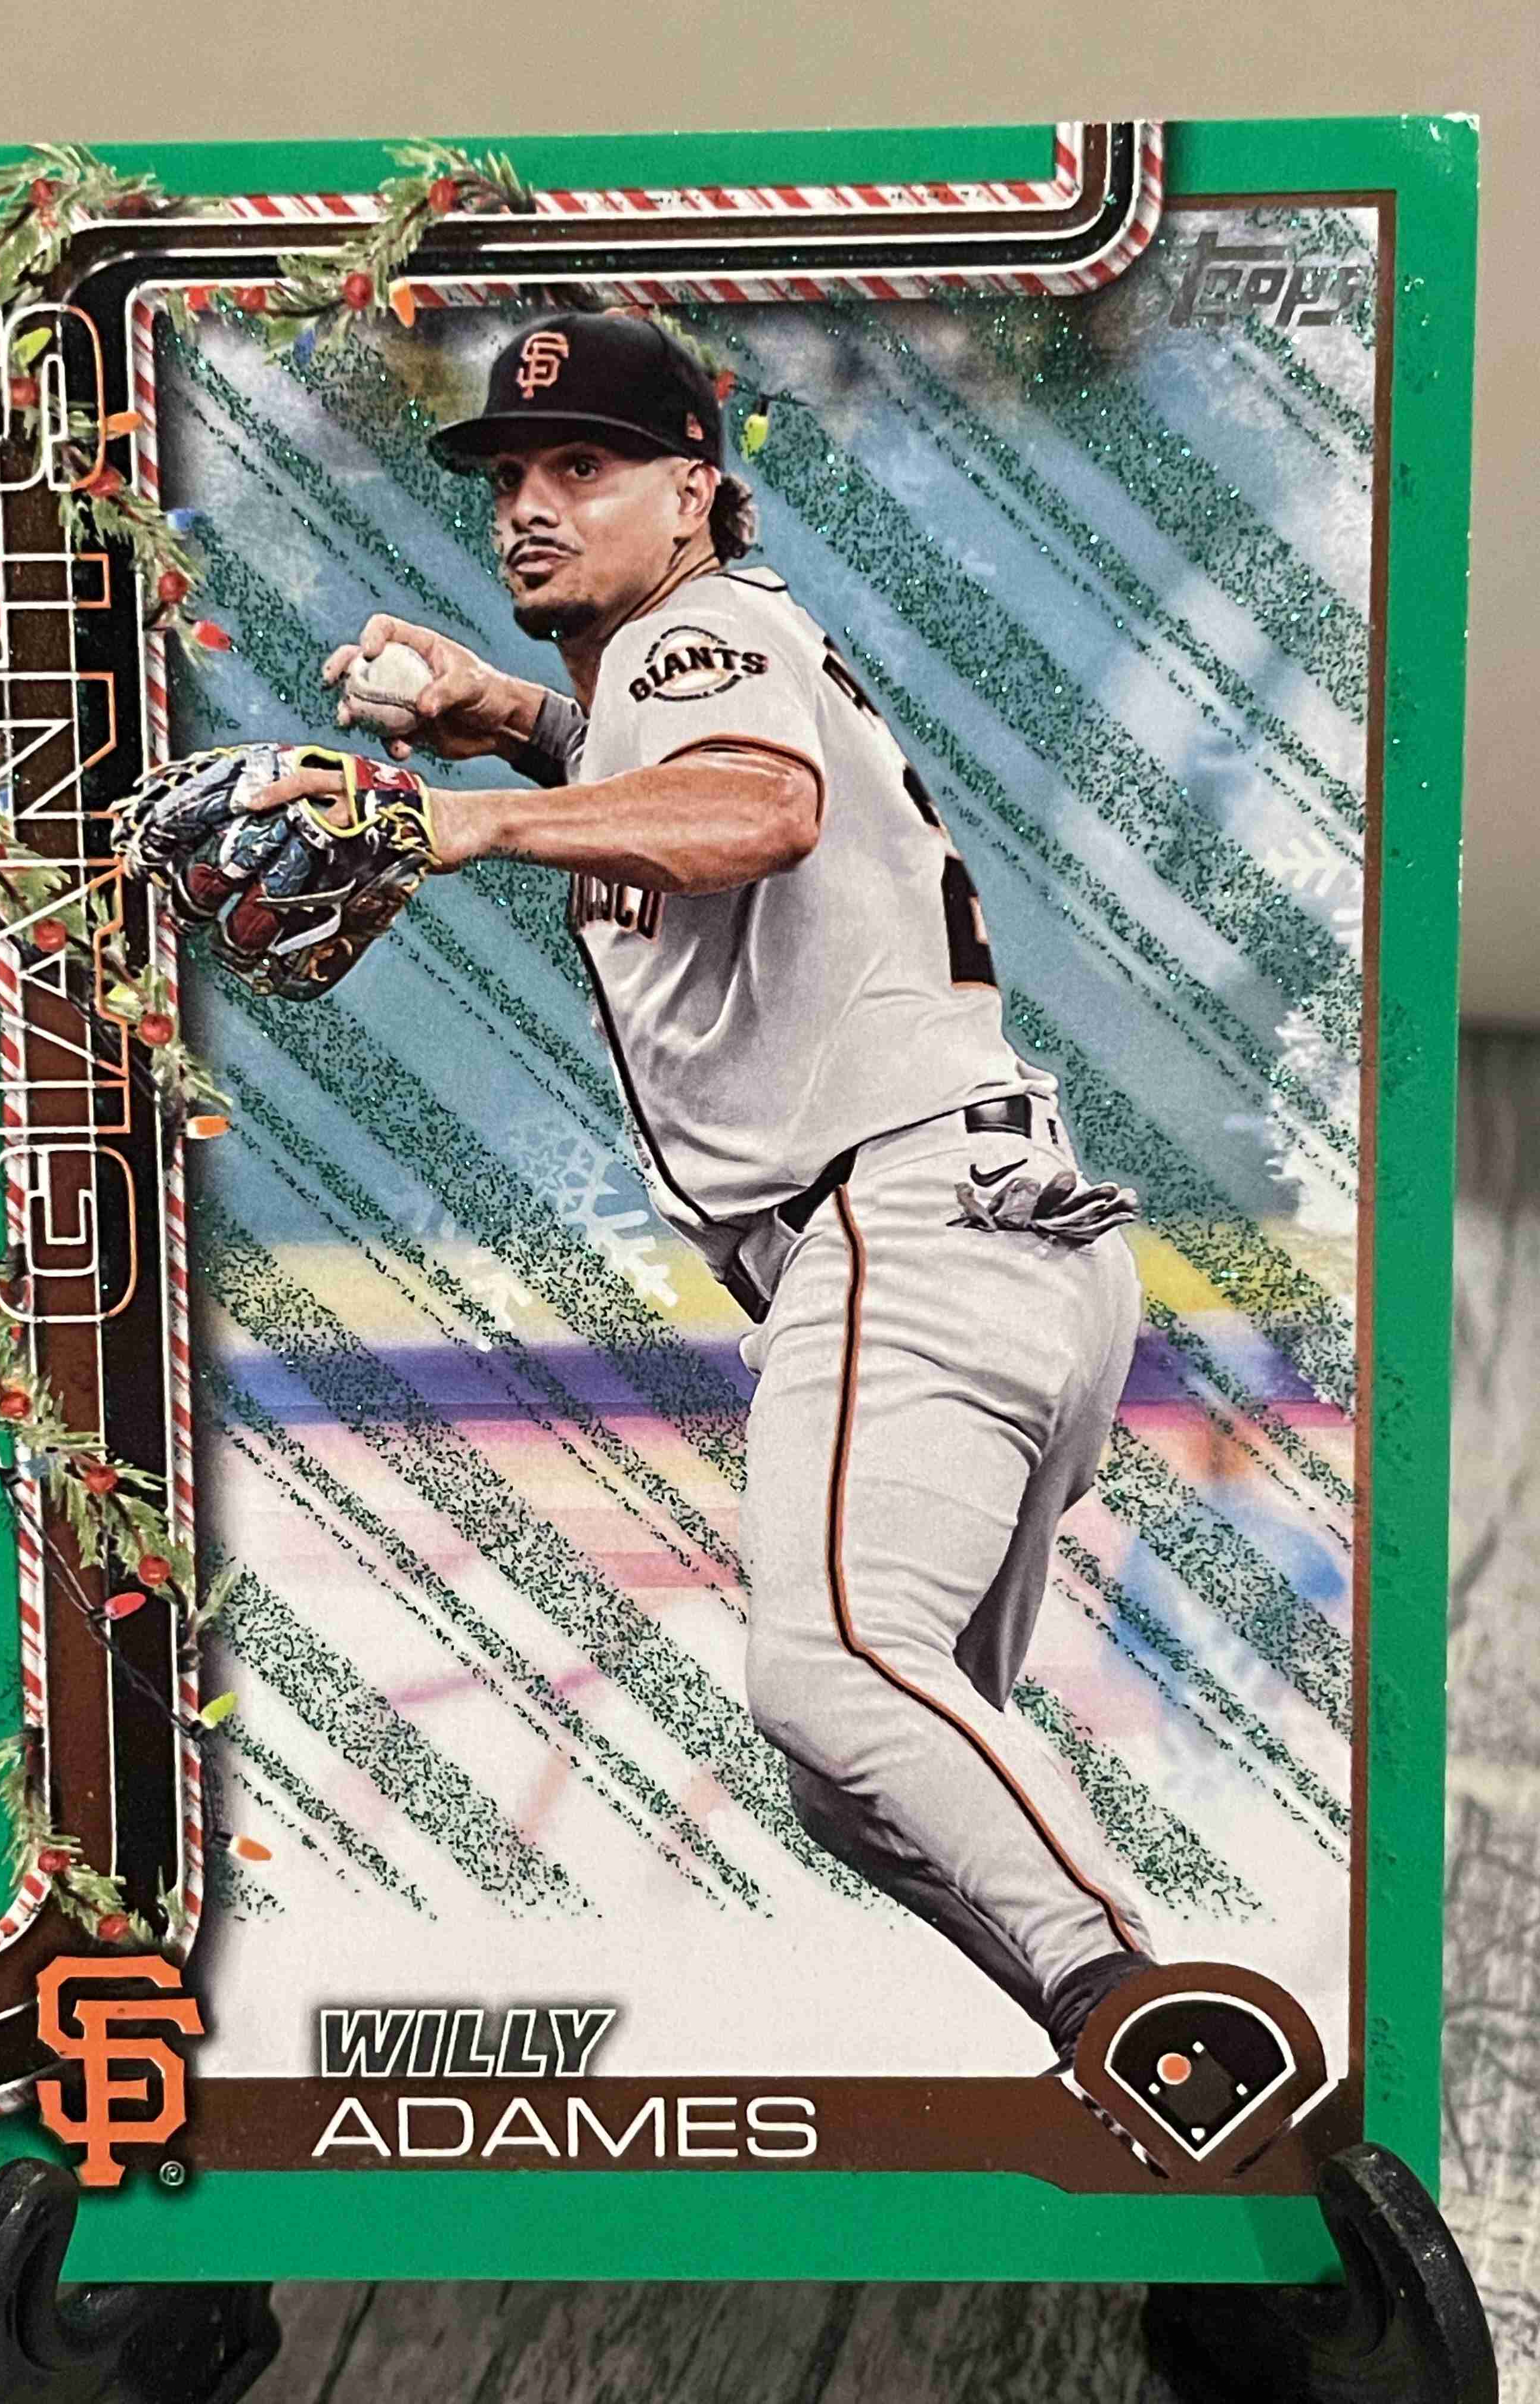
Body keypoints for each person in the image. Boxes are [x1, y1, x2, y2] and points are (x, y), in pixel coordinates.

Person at [264, 310, 1160, 2067]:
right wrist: (514, 720)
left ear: (695, 491)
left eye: (583, 465)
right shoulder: (679, 665)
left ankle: (1156, 2021)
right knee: (877, 1764)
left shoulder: (697, 637)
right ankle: (1135, 2053)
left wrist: (464, 819)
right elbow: (675, 779)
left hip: (905, 1233)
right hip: (1001, 1238)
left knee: (831, 1674)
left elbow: (754, 812)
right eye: (509, 476)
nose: (530, 504)